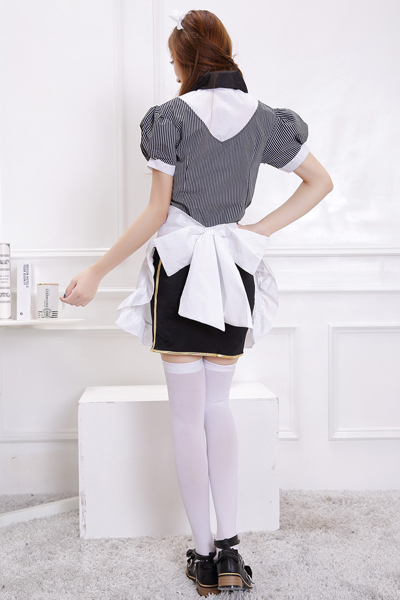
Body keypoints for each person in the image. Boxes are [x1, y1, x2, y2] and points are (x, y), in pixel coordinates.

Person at [60, 8, 333, 596]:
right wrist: (256, 230)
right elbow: (321, 182)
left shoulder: (171, 119)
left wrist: (96, 271)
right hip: (233, 268)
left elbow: (157, 213)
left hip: (182, 270)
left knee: (187, 415)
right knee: (218, 407)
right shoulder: (267, 121)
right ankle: (231, 553)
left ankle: (204, 555)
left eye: (173, 62)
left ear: (184, 61)